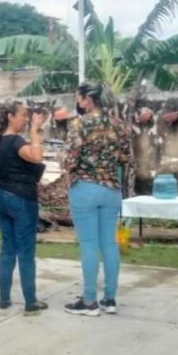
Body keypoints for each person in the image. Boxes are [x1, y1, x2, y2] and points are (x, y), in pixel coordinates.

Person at [63, 82, 131, 317]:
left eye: (79, 98)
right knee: (109, 244)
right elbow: (125, 158)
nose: (78, 102)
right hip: (111, 189)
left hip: (85, 189)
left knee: (89, 244)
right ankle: (109, 299)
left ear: (89, 100)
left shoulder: (79, 125)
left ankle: (89, 301)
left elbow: (70, 161)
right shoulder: (119, 125)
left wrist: (69, 163)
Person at [0, 102, 49, 314]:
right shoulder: (15, 141)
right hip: (22, 198)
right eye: (23, 115)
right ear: (10, 116)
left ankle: (4, 298)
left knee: (7, 248)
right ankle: (30, 300)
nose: (25, 119)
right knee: (26, 251)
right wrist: (34, 131)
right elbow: (36, 157)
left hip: (1, 196)